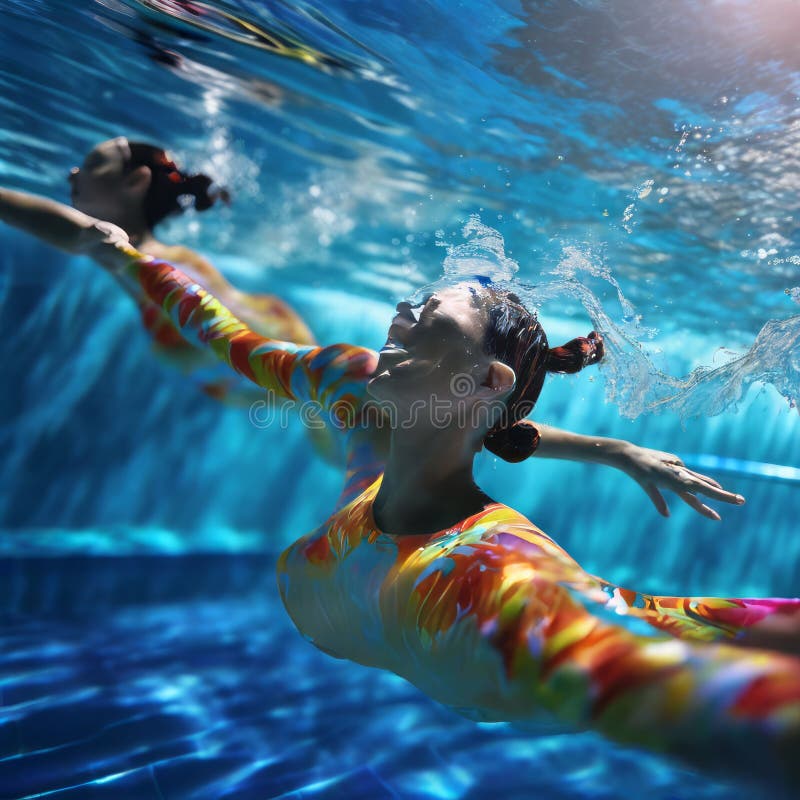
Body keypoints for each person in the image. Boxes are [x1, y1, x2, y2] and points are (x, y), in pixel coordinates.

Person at [2, 201, 799, 789]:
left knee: (656, 620)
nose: (400, 311)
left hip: (456, 602)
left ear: (484, 381)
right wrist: (113, 251)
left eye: (428, 312)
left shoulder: (489, 578)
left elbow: (649, 681)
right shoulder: (353, 381)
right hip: (377, 535)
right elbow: (216, 327)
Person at [3, 137, 314, 403]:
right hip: (272, 376)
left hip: (283, 359)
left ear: (136, 181)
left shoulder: (146, 259)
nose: (73, 172)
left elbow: (94, 238)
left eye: (92, 163)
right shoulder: (136, 258)